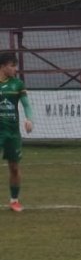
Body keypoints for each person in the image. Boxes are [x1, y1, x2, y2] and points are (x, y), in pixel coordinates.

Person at [0, 52, 33, 212]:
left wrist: (29, 118)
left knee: (14, 167)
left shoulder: (18, 84)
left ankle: (14, 201)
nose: (15, 69)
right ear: (3, 66)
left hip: (12, 132)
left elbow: (26, 104)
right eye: (12, 65)